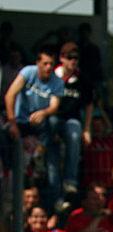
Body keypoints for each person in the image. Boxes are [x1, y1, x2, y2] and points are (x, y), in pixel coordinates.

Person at [3, 46, 64, 209]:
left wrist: (44, 112)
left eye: (51, 64)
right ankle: (7, 167)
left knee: (53, 122)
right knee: (4, 134)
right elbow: (10, 95)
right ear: (38, 63)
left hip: (39, 124)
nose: (48, 67)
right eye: (45, 63)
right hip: (20, 121)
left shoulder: (57, 81)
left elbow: (54, 106)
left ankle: (39, 157)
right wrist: (12, 123)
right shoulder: (28, 72)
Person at [53, 42, 94, 199]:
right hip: (53, 118)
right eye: (70, 57)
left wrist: (87, 129)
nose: (73, 61)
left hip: (72, 120)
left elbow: (89, 104)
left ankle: (70, 181)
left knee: (75, 134)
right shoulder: (52, 76)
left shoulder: (82, 79)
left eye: (76, 58)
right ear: (62, 58)